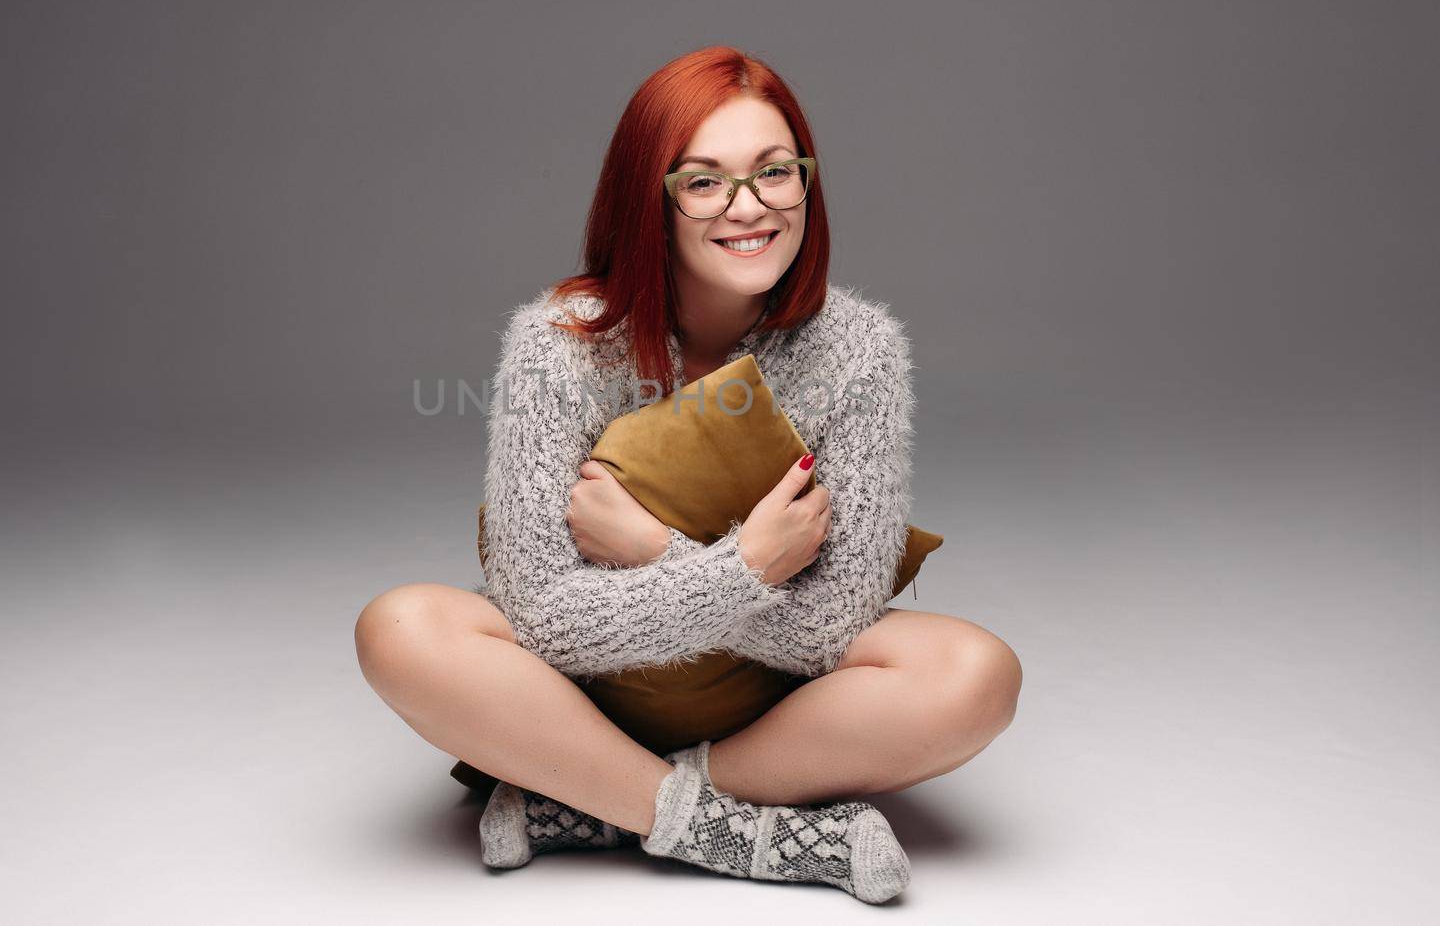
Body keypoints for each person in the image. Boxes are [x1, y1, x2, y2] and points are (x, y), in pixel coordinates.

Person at [355, 46, 1021, 903]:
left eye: (775, 172)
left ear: (806, 184)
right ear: (651, 200)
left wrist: (652, 546)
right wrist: (746, 566)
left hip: (771, 701)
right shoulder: (558, 342)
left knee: (978, 674)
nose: (750, 207)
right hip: (585, 688)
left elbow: (830, 627)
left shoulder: (860, 351)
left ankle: (590, 799)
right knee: (400, 626)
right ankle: (728, 830)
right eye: (704, 182)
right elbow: (542, 620)